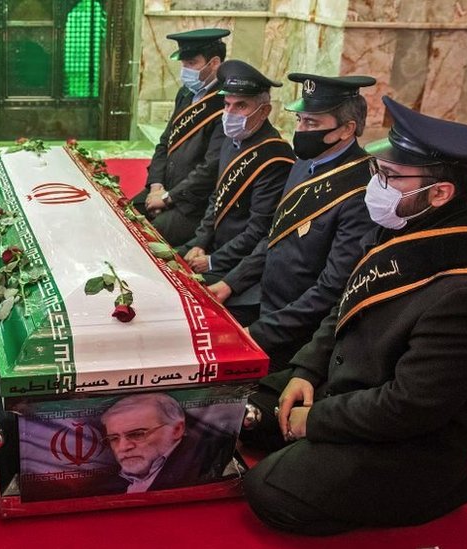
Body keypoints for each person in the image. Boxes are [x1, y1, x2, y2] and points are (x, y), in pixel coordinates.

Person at [240, 97, 467, 535]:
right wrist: (305, 371)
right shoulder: (406, 225)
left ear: (440, 192)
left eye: (390, 177)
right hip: (352, 386)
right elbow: (345, 306)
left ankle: (436, 492)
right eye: (378, 171)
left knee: (270, 491)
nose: (377, 186)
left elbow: (411, 407)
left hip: (413, 438)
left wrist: (315, 420)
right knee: (242, 409)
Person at [207, 73, 377, 370]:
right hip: (264, 301)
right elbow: (273, 237)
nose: (300, 130)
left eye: (312, 123)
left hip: (298, 332)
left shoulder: (360, 190)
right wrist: (230, 283)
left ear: (347, 129)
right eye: (299, 120)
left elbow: (331, 289)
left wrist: (258, 334)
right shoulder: (303, 164)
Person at [178, 59, 296, 279]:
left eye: (241, 106)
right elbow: (218, 196)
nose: (230, 113)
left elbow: (258, 230)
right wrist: (201, 242)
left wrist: (213, 261)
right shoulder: (234, 139)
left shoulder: (273, 157)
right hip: (212, 246)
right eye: (227, 104)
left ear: (264, 111)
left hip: (238, 264)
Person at [130, 28, 228, 246]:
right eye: (183, 64)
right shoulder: (185, 94)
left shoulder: (225, 105)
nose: (185, 70)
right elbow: (165, 143)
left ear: (214, 63)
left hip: (191, 203)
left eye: (191, 63)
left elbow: (210, 167)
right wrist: (156, 186)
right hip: (163, 189)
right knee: (122, 216)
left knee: (146, 241)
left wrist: (167, 198)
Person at [98, 393, 229, 494]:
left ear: (177, 430)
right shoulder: (109, 483)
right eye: (114, 438)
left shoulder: (205, 467)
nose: (123, 447)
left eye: (137, 434)